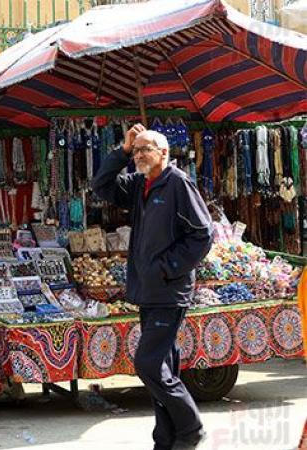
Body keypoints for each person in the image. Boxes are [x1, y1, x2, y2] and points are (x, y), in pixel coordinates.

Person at [92, 124, 213, 450]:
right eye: (138, 149)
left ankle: (190, 427)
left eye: (148, 149)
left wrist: (166, 268)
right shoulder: (141, 184)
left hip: (168, 290)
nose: (141, 154)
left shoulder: (177, 183)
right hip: (148, 290)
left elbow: (202, 234)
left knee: (147, 364)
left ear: (164, 153)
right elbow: (101, 186)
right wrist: (122, 149)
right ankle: (167, 438)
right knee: (162, 367)